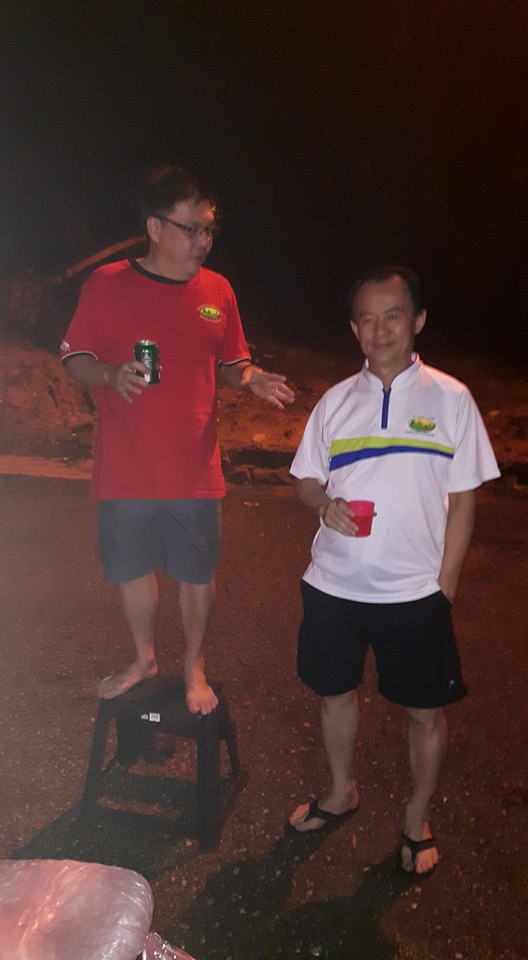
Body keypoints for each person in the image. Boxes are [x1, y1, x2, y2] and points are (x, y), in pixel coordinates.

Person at [61, 164, 294, 715]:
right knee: (132, 569)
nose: (203, 241)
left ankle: (194, 666)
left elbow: (231, 361)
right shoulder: (107, 284)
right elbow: (74, 357)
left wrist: (249, 376)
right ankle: (143, 657)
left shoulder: (218, 291)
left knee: (196, 574)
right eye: (192, 229)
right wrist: (110, 373)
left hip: (195, 468)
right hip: (127, 467)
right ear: (155, 227)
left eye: (209, 229)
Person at [288, 265, 499, 874]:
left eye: (394, 316)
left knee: (424, 712)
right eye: (367, 319)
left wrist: (445, 586)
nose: (380, 330)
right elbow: (305, 479)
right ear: (354, 329)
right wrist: (322, 504)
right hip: (334, 586)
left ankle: (416, 816)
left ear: (418, 321)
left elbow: (464, 501)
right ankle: (340, 792)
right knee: (334, 695)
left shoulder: (452, 399)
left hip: (415, 594)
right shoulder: (335, 402)